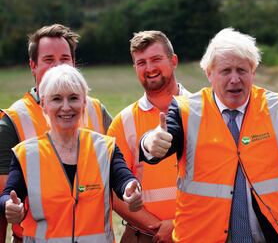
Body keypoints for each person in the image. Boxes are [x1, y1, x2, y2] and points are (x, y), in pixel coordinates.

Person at [141, 28, 278, 242]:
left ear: (253, 72)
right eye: (226, 71)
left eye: (242, 70)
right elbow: (160, 140)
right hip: (202, 236)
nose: (235, 79)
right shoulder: (185, 111)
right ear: (209, 74)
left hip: (274, 235)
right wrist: (150, 142)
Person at [0, 64, 143, 242]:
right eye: (57, 99)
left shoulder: (106, 148)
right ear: (44, 104)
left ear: (84, 103)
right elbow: (10, 193)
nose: (66, 107)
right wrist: (9, 205)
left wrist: (131, 188)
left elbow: (123, 179)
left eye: (73, 98)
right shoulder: (26, 154)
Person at [0, 24, 112, 242]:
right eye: (49, 60)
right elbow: (5, 201)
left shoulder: (97, 110)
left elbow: (120, 180)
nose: (58, 66)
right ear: (33, 65)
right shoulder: (12, 120)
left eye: (65, 59)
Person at [107, 30, 190, 243]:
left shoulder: (204, 110)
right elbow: (114, 193)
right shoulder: (123, 122)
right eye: (141, 62)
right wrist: (157, 227)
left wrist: (179, 226)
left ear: (173, 61)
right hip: (145, 236)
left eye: (156, 59)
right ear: (135, 68)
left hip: (198, 232)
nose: (150, 68)